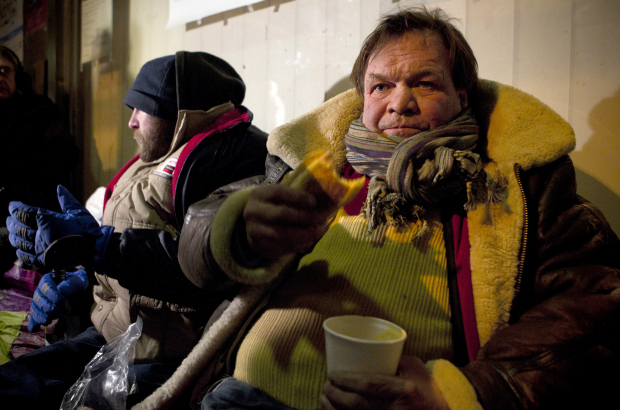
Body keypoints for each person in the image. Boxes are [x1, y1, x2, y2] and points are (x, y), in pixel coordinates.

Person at [128, 7, 619, 410]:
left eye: (424, 84)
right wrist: (238, 229)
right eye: (381, 86)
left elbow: (593, 311)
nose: (400, 102)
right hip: (235, 394)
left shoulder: (508, 186)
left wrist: (459, 395)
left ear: (461, 96)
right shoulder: (316, 163)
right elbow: (195, 243)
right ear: (361, 98)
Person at [1, 51, 269, 409]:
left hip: (165, 356)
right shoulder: (158, 155)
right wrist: (80, 280)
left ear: (179, 114)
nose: (131, 122)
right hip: (113, 336)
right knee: (11, 383)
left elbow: (208, 270)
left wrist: (97, 248)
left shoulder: (231, 159)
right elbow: (130, 246)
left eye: (142, 108)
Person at [0, 45, 78, 272]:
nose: (0, 77)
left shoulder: (39, 112)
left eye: (5, 70)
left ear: (18, 75)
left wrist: (18, 172)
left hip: (28, 221)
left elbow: (65, 155)